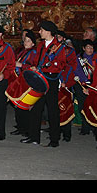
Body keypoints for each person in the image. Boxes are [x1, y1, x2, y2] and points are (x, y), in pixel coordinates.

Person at [21, 20, 67, 148]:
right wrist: (35, 67)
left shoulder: (59, 46)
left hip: (51, 80)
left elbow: (60, 65)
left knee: (52, 109)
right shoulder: (41, 45)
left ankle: (54, 139)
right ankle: (34, 137)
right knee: (36, 108)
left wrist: (44, 69)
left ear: (48, 31)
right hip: (40, 79)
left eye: (41, 30)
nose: (39, 32)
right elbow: (36, 60)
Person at [10, 29, 37, 138]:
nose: (26, 42)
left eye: (28, 41)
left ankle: (26, 129)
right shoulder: (22, 51)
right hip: (18, 80)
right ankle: (20, 127)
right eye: (25, 40)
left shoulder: (33, 53)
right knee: (18, 105)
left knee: (25, 106)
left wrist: (21, 65)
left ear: (33, 43)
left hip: (27, 81)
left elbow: (33, 67)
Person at [73, 39, 97, 136]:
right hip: (82, 84)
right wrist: (83, 82)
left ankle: (94, 126)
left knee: (93, 106)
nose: (90, 50)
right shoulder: (79, 58)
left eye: (92, 48)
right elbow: (76, 71)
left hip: (93, 85)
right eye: (88, 47)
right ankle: (85, 126)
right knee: (82, 106)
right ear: (83, 48)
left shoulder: (96, 57)